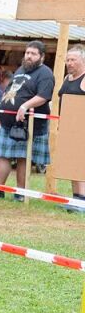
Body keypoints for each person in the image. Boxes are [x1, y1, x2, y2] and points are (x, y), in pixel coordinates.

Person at [0, 41, 55, 202]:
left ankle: (20, 193)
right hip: (8, 122)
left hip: (27, 125)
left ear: (41, 56)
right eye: (27, 53)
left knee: (22, 158)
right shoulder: (20, 70)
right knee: (2, 155)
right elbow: (9, 91)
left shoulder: (45, 73)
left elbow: (44, 95)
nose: (29, 56)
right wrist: (0, 110)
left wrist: (25, 106)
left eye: (33, 54)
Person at [57, 44, 85, 212]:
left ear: (82, 61)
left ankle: (83, 201)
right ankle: (76, 198)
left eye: (73, 59)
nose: (69, 63)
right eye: (67, 59)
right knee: (71, 165)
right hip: (68, 126)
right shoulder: (68, 78)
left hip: (81, 126)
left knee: (81, 164)